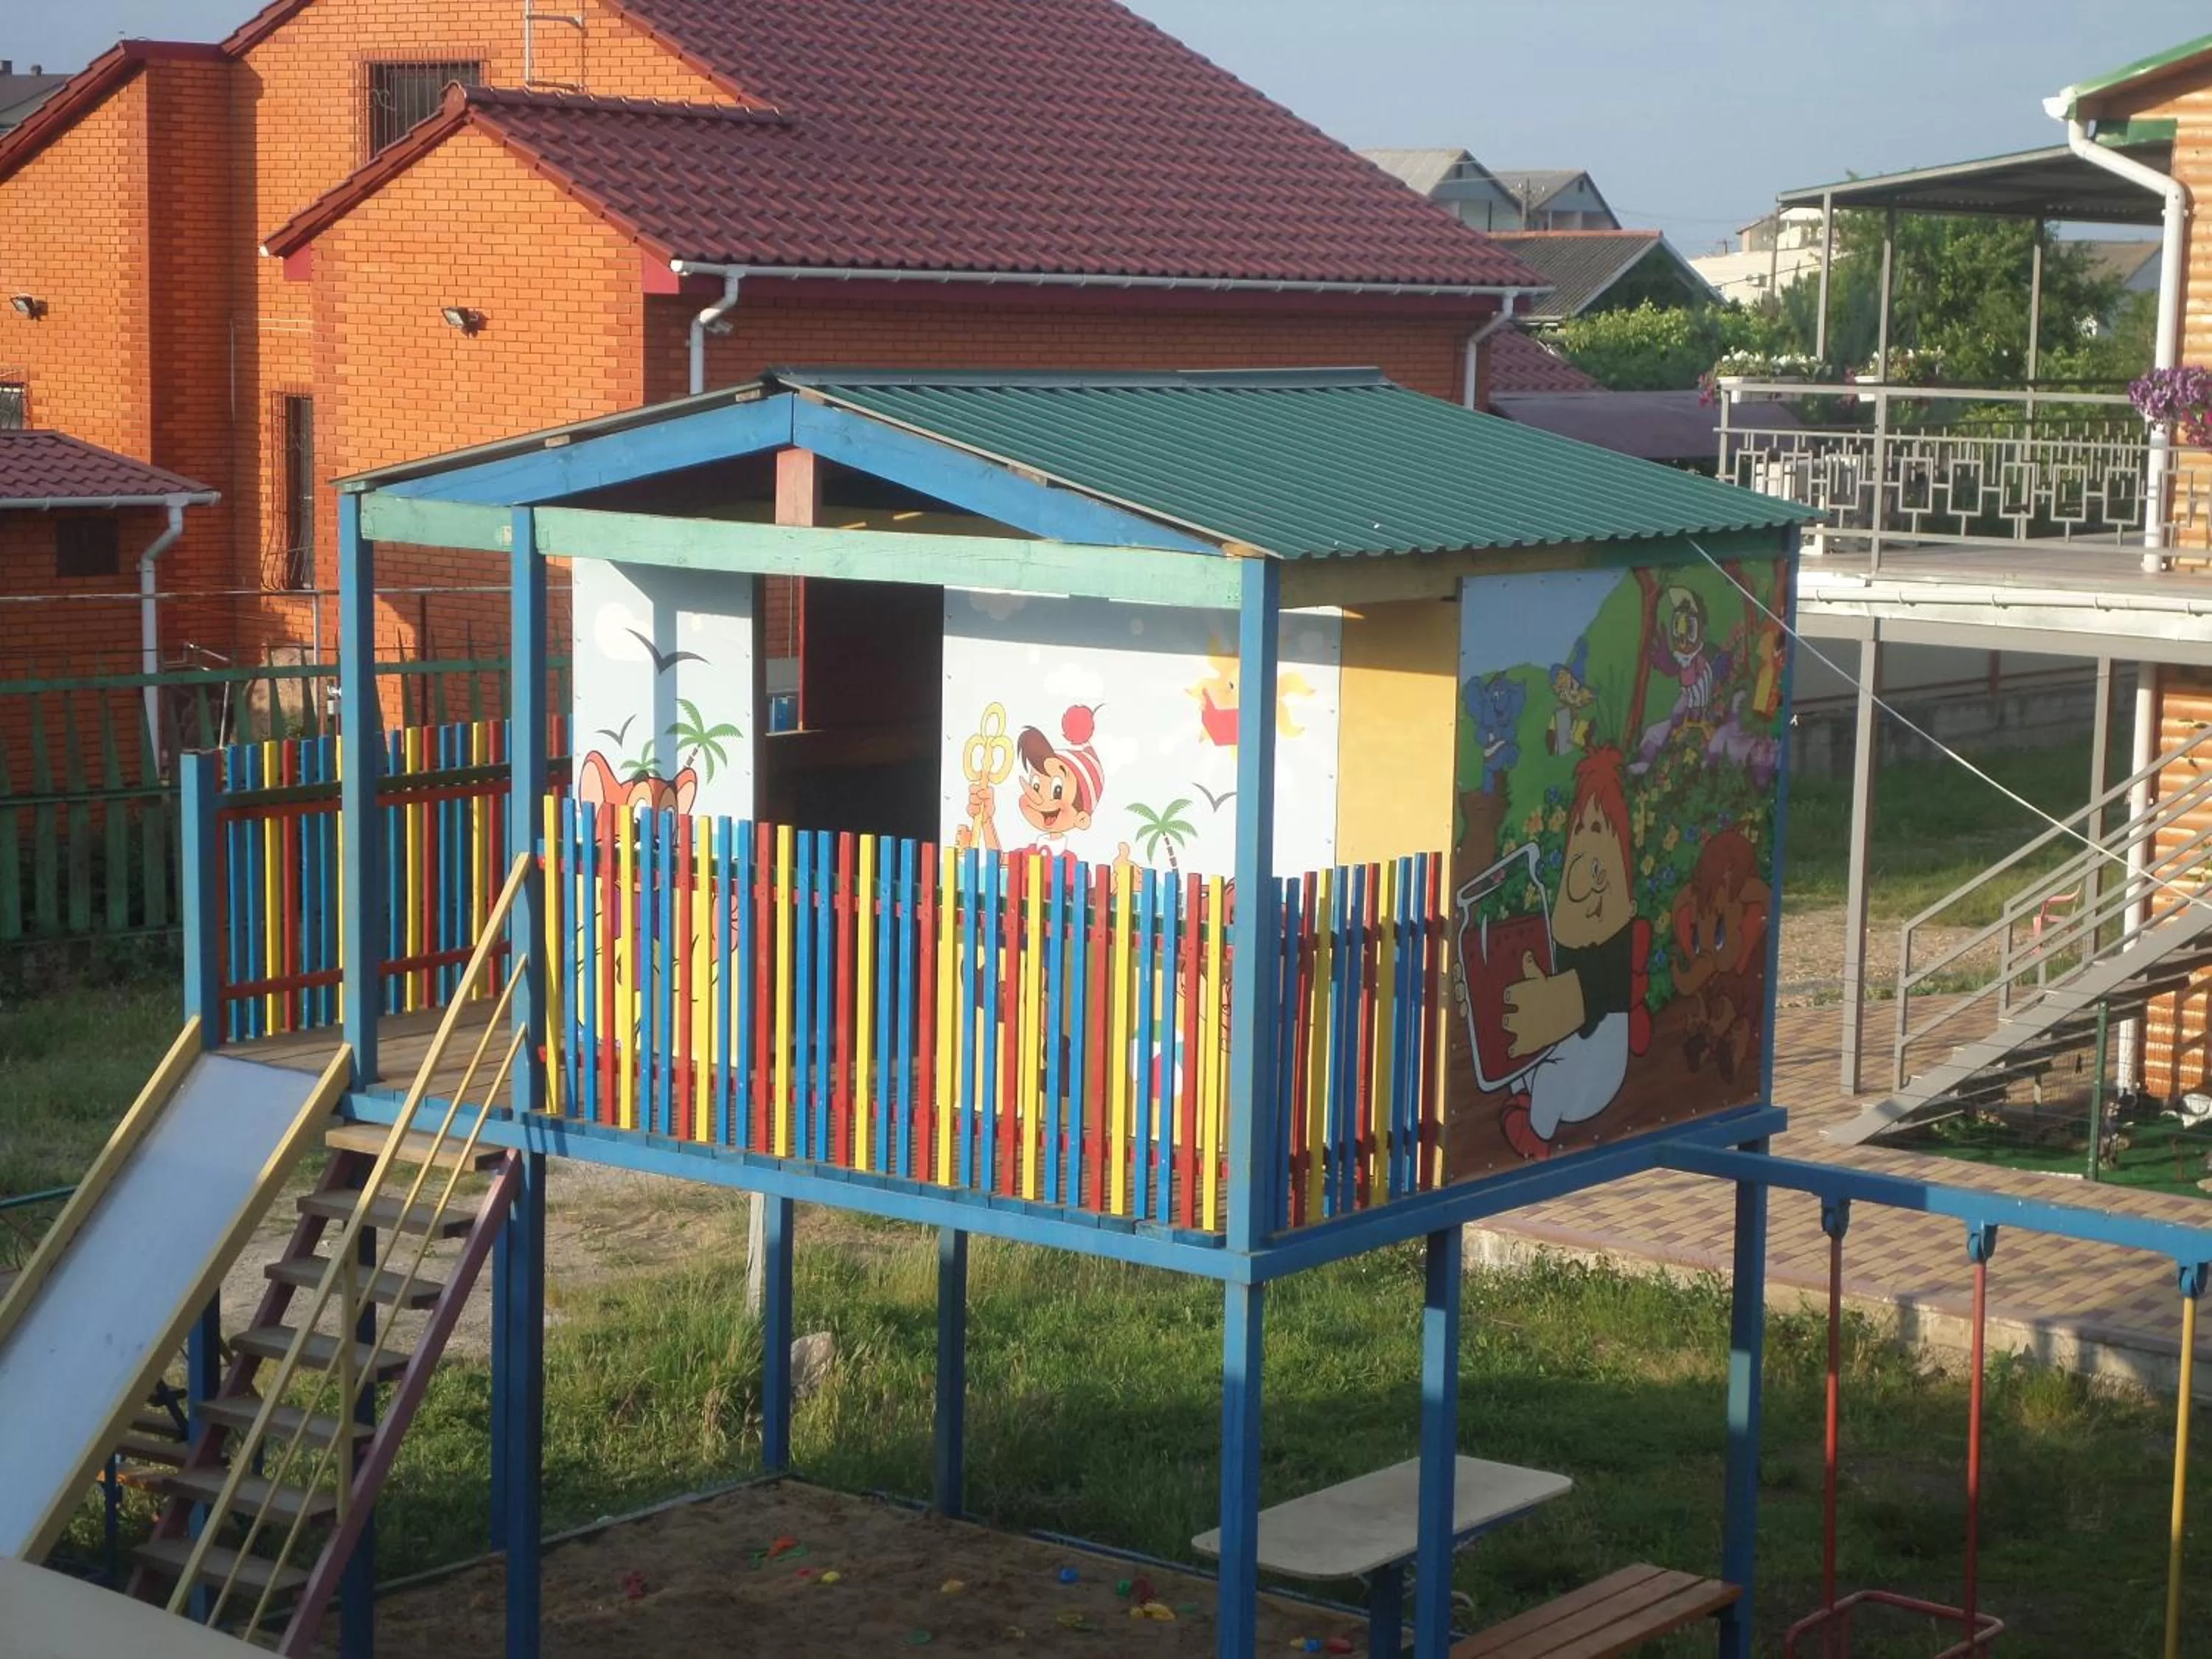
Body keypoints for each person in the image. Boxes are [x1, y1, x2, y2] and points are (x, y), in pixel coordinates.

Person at [1498, 746, 1637, 1161]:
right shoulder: (1564, 925)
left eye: (1600, 828)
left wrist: (1558, 998)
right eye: (1583, 828)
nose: (1588, 838)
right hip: (1568, 1042)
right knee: (1525, 1066)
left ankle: (1536, 1132)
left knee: (1553, 1079)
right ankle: (1524, 1105)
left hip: (1599, 1057)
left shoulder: (1615, 931)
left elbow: (1593, 994)